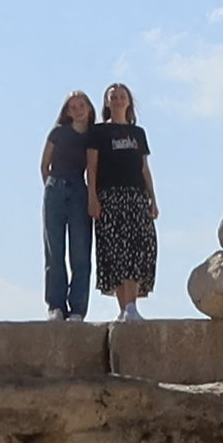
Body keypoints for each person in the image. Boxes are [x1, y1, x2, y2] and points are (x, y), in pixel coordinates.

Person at [89, 80, 160, 322]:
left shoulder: (138, 133)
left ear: (128, 101)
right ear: (107, 102)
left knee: (141, 247)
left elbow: (144, 168)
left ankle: (132, 306)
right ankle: (125, 308)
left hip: (136, 195)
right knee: (115, 251)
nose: (118, 99)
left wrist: (153, 198)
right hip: (110, 195)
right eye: (113, 96)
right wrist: (93, 198)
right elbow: (92, 168)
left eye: (122, 96)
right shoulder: (98, 132)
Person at [38, 91, 96, 320]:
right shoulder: (58, 132)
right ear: (67, 111)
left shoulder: (93, 136)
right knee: (54, 250)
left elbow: (94, 168)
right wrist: (52, 188)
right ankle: (56, 305)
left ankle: (78, 308)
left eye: (81, 105)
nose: (78, 109)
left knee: (80, 251)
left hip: (80, 190)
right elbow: (44, 165)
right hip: (56, 186)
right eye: (73, 106)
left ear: (89, 108)